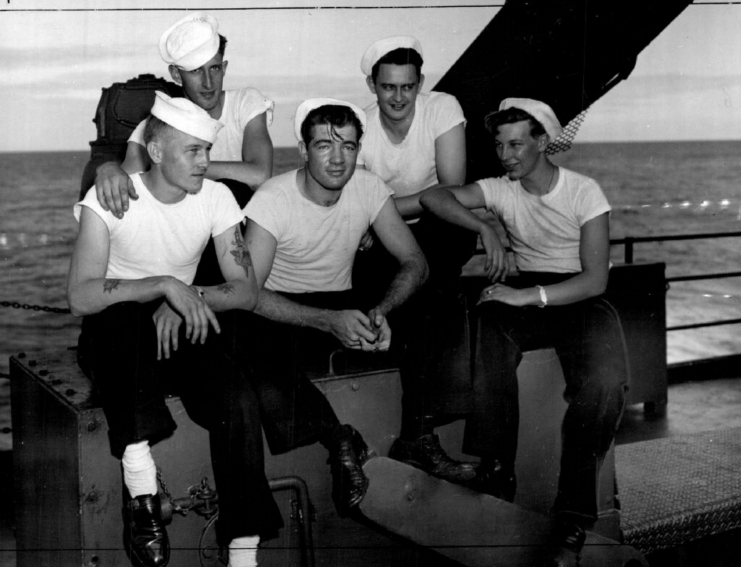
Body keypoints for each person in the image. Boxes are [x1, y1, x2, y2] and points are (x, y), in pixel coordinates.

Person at [67, 92, 282, 567]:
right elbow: (81, 296)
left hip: (179, 329)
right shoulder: (111, 199)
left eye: (207, 149)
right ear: (157, 152)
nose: (207, 162)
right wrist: (165, 285)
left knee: (236, 397)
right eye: (194, 151)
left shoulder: (217, 198)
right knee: (122, 320)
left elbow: (244, 290)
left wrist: (190, 297)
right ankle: (142, 495)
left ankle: (243, 551)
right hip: (115, 337)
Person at [419, 98, 629, 567]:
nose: (506, 154)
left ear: (542, 142)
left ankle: (573, 516)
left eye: (516, 143)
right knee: (489, 322)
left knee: (604, 383)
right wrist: (482, 226)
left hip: (579, 296)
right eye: (499, 145)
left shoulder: (584, 191)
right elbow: (435, 196)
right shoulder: (500, 189)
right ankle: (497, 469)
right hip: (528, 290)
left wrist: (527, 295)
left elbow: (596, 279)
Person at [239, 98, 428, 515]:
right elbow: (248, 293)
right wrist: (327, 321)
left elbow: (416, 262)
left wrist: (382, 312)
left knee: (430, 306)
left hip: (341, 301)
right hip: (282, 310)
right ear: (304, 151)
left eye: (348, 145)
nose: (339, 157)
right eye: (324, 145)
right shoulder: (273, 199)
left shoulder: (368, 187)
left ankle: (418, 437)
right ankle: (338, 437)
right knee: (245, 341)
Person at [353, 35, 477, 482]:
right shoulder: (360, 128)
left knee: (432, 278)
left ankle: (418, 436)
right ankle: (419, 437)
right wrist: (387, 214)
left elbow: (451, 190)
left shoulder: (442, 108)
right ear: (372, 85)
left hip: (439, 230)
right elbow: (363, 204)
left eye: (408, 86)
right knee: (423, 299)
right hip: (388, 239)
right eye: (388, 87)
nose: (399, 97)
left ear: (420, 82)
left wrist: (385, 209)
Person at [94, 11, 274, 219]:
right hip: (189, 233)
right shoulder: (157, 124)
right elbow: (127, 177)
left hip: (242, 224)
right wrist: (107, 169)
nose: (208, 82)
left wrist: (177, 169)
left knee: (235, 190)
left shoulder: (245, 103)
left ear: (224, 68)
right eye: (196, 71)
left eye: (214, 68)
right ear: (176, 74)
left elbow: (259, 175)